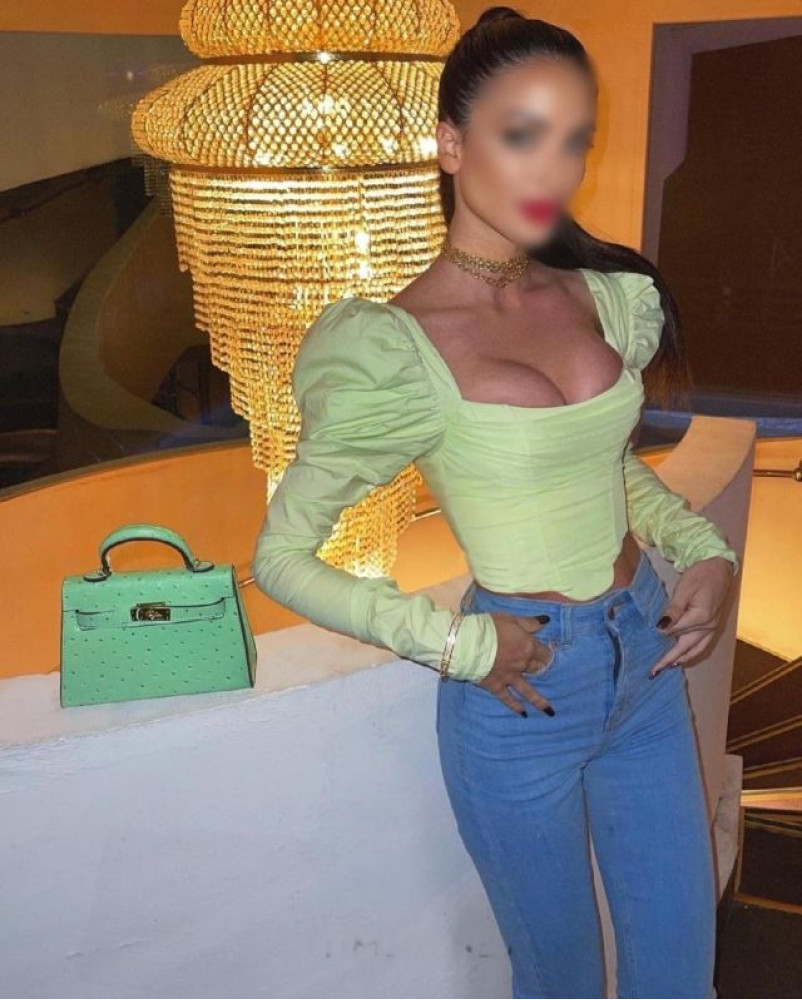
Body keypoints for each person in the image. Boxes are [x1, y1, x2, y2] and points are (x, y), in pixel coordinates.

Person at [252, 7, 740, 998]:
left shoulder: (597, 296)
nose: (552, 170)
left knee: (680, 972)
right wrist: (457, 645)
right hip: (524, 692)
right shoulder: (398, 347)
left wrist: (702, 551)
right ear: (450, 144)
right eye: (522, 135)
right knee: (560, 980)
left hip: (643, 658)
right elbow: (281, 557)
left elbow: (604, 467)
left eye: (572, 141)